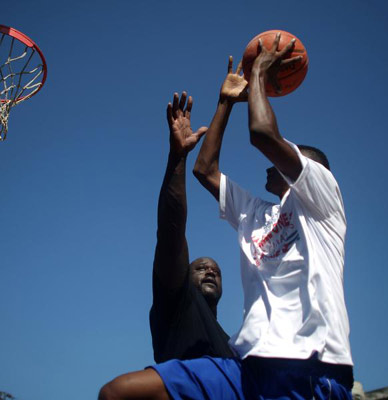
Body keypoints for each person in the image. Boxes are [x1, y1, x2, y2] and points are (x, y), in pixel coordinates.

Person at [99, 33, 354, 400]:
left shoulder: (322, 202)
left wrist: (261, 77)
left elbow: (263, 134)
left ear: (309, 169)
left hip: (310, 367)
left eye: (288, 156)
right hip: (247, 366)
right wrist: (226, 102)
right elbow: (205, 170)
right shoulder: (258, 215)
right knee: (119, 392)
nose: (274, 161)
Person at [98, 90, 235, 400]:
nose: (210, 271)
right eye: (200, 268)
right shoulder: (177, 302)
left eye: (215, 270)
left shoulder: (231, 345)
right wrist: (178, 158)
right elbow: (171, 234)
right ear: (185, 275)